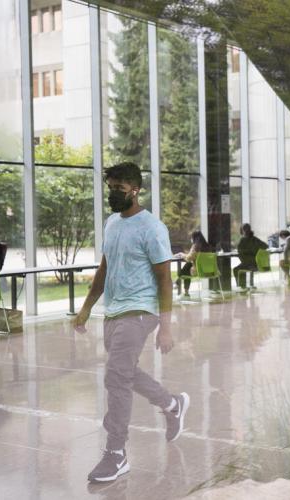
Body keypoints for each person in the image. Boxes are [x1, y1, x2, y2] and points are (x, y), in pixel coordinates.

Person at [72, 162, 189, 484]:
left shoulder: (152, 228)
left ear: (135, 189)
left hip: (141, 311)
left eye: (118, 189)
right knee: (124, 372)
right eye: (109, 188)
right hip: (115, 310)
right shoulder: (112, 223)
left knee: (115, 377)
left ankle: (116, 453)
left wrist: (166, 326)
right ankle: (171, 403)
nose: (112, 194)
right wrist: (85, 309)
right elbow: (104, 269)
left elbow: (165, 278)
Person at [175, 230, 213, 298]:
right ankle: (179, 282)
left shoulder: (196, 246)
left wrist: (181, 254)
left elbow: (189, 257)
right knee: (188, 265)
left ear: (194, 238)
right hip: (209, 271)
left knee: (186, 269)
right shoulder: (208, 247)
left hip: (198, 271)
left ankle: (179, 280)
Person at [233, 223, 268, 290]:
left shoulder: (243, 240)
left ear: (242, 230)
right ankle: (245, 286)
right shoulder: (255, 239)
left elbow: (240, 251)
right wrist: (256, 251)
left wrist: (248, 252)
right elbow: (265, 246)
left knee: (236, 269)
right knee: (242, 267)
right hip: (257, 264)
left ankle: (241, 287)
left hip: (250, 264)